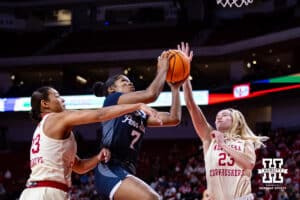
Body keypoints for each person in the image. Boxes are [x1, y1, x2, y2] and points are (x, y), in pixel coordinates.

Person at [19, 86, 161, 200]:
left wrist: (98, 158)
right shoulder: (55, 119)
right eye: (56, 96)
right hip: (47, 193)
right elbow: (99, 115)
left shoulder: (47, 129)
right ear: (45, 104)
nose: (62, 99)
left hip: (39, 192)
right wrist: (136, 106)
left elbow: (78, 166)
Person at [92, 50, 187, 200]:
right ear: (111, 89)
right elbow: (151, 94)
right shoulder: (113, 100)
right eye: (124, 81)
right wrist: (163, 69)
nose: (130, 83)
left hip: (126, 169)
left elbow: (174, 119)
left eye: (130, 81)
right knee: (152, 198)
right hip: (109, 169)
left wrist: (175, 89)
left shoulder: (140, 114)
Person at [180, 42, 269, 200]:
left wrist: (223, 145)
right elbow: (191, 105)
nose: (218, 117)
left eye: (224, 115)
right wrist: (185, 75)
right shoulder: (209, 137)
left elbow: (248, 164)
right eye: (217, 116)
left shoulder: (245, 141)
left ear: (236, 121)